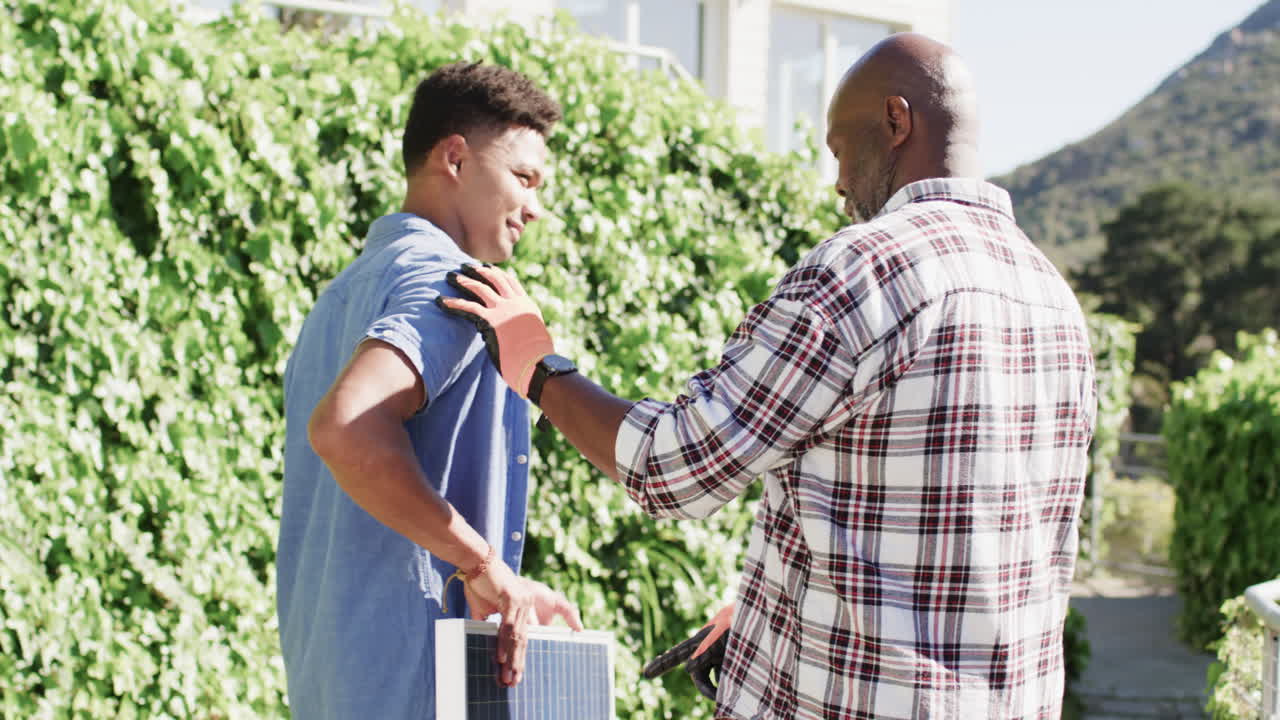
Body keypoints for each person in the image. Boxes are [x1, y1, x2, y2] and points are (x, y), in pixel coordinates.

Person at [440, 33, 1097, 719]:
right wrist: (765, 614)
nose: (840, 183)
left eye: (840, 150)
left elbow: (671, 463)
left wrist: (535, 363)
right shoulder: (1050, 296)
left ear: (896, 122)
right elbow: (960, 533)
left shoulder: (867, 267)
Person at [277, 61, 582, 720]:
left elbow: (372, 500)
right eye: (523, 177)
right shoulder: (453, 284)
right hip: (415, 689)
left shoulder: (338, 298)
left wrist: (499, 581)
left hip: (330, 681)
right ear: (455, 159)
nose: (535, 206)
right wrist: (478, 564)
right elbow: (346, 430)